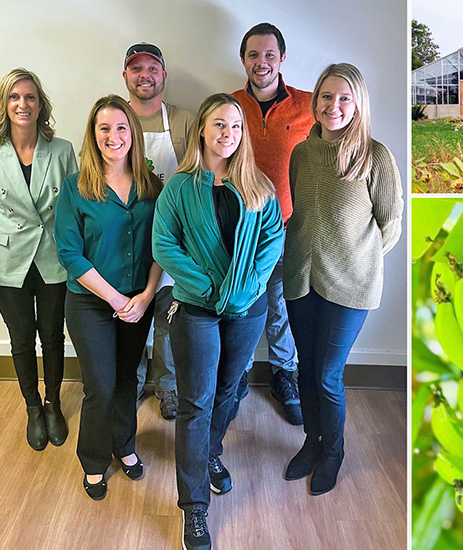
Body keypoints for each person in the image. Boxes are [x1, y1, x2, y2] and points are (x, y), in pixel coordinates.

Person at [153, 93, 284, 550]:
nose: (227, 134)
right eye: (218, 125)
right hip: (196, 307)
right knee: (196, 402)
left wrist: (244, 292)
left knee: (231, 390)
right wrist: (209, 288)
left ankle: (209, 453)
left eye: (235, 126)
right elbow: (164, 245)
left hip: (248, 307)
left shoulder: (258, 188)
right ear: (202, 131)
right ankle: (194, 511)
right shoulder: (180, 188)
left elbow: (272, 242)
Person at [283, 63, 402, 495]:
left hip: (350, 287)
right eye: (326, 97)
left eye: (344, 98)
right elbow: (302, 212)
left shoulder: (376, 155)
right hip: (299, 279)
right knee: (305, 369)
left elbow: (390, 225)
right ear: (314, 102)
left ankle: (333, 452)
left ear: (359, 104)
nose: (334, 106)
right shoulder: (301, 153)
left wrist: (358, 260)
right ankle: (311, 443)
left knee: (328, 374)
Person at [55, 95, 163, 501]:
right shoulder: (76, 186)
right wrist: (118, 299)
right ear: (93, 134)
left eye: (121, 127)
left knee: (126, 382)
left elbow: (161, 245)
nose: (114, 136)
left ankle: (125, 444)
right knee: (99, 386)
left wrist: (148, 293)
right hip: (91, 304)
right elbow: (69, 252)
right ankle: (94, 461)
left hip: (140, 302)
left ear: (133, 134)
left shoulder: (153, 186)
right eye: (104, 128)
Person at [0, 68, 76, 451]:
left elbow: (75, 210)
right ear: (4, 103)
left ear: (40, 103)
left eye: (30, 97)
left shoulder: (61, 149)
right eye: (14, 97)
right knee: (21, 340)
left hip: (53, 259)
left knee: (52, 336)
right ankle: (32, 407)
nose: (22, 104)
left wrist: (80, 265)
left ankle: (54, 404)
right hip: (7, 260)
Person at [230, 23, 314, 426]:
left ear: (281, 58)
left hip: (288, 227)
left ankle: (285, 375)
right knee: (241, 304)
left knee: (280, 306)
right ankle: (238, 376)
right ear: (243, 59)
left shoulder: (310, 105)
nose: (260, 63)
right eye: (252, 55)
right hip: (237, 230)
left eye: (268, 55)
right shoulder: (228, 106)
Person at [122, 42, 194, 420]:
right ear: (125, 77)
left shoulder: (183, 121)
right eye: (136, 69)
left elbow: (198, 177)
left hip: (173, 237)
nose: (144, 75)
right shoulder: (116, 119)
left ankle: (168, 387)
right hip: (128, 236)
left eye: (152, 68)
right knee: (131, 315)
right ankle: (131, 383)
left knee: (169, 319)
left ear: (164, 75)